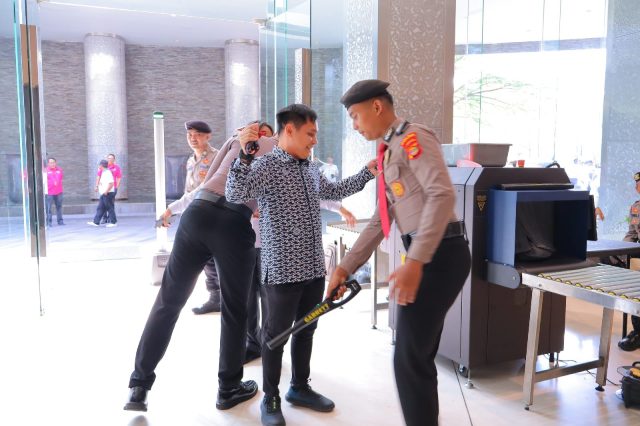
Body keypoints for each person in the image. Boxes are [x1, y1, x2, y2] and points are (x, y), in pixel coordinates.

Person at [326, 79, 471, 426]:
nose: (354, 126)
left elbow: (442, 194)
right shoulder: (388, 152)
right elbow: (381, 219)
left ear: (377, 107)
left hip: (441, 254)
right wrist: (344, 268)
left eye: (355, 116)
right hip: (430, 254)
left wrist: (415, 262)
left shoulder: (412, 138)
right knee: (415, 356)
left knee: (408, 358)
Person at [225, 103, 376, 426]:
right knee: (276, 336)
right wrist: (244, 155)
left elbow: (333, 190)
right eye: (310, 134)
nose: (314, 140)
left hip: (313, 268)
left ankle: (299, 387)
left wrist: (368, 172)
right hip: (281, 269)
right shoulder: (266, 165)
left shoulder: (309, 167)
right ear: (289, 130)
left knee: (306, 330)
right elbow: (235, 193)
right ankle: (271, 397)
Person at [123, 124, 278, 413]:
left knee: (168, 301)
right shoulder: (281, 150)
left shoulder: (235, 139)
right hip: (234, 222)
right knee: (235, 309)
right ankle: (229, 388)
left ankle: (139, 386)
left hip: (198, 213)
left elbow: (205, 184)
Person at [163, 120, 221, 315]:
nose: (193, 138)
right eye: (190, 135)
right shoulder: (191, 160)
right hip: (195, 215)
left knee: (214, 259)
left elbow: (202, 189)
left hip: (212, 215)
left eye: (198, 134)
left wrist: (172, 209)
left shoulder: (216, 158)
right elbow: (189, 190)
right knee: (207, 261)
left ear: (208, 136)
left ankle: (222, 297)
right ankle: (216, 298)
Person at [618, 171, 640, 352]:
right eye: (637, 184)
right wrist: (621, 251)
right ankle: (638, 332)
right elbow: (632, 234)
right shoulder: (636, 207)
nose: (637, 187)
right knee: (634, 288)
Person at [95, 153, 122, 225]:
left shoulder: (116, 167)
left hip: (111, 189)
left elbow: (118, 178)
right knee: (103, 204)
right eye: (109, 158)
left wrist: (116, 187)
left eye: (111, 158)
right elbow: (98, 177)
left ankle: (111, 219)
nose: (110, 159)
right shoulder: (104, 167)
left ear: (114, 159)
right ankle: (104, 218)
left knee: (109, 204)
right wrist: (96, 186)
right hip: (104, 189)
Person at [88, 160, 116, 227]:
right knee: (100, 208)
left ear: (101, 165)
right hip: (104, 194)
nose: (98, 166)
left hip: (108, 193)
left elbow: (111, 183)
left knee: (110, 208)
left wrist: (106, 191)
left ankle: (113, 222)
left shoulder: (108, 173)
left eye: (99, 165)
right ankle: (96, 222)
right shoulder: (104, 172)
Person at [45, 157, 64, 226]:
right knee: (48, 208)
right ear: (48, 163)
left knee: (59, 207)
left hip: (59, 192)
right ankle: (49, 222)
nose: (52, 164)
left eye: (53, 162)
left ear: (55, 163)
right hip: (49, 192)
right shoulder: (45, 171)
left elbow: (61, 178)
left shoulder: (59, 170)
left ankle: (60, 221)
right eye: (50, 163)